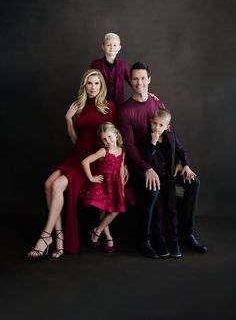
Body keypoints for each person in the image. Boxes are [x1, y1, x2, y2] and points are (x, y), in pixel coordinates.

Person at [117, 62, 207, 259]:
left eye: (143, 78)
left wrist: (181, 163)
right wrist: (146, 168)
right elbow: (130, 147)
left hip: (165, 162)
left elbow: (170, 135)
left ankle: (186, 233)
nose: (139, 82)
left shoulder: (157, 103)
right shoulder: (125, 110)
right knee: (154, 186)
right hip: (141, 162)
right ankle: (145, 239)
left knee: (194, 183)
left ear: (149, 79)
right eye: (135, 78)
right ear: (130, 81)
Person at [28, 69, 116, 258]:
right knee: (48, 184)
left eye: (96, 83)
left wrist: (115, 163)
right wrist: (68, 119)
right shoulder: (79, 106)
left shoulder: (109, 107)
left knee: (58, 185)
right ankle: (58, 238)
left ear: (102, 86)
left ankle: (45, 236)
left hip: (91, 160)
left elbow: (113, 139)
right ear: (84, 84)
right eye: (89, 83)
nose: (92, 87)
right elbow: (76, 140)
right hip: (76, 155)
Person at [139, 109, 196, 259]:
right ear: (151, 122)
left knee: (171, 210)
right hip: (155, 181)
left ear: (167, 127)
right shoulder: (146, 139)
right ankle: (160, 241)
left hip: (169, 179)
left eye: (161, 125)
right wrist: (152, 143)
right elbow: (145, 160)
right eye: (154, 124)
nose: (157, 128)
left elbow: (181, 151)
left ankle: (174, 241)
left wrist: (186, 165)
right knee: (158, 211)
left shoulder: (171, 137)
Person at [81, 122, 125, 253]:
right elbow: (85, 161)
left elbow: (121, 169)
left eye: (110, 137)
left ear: (116, 134)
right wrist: (91, 178)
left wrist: (122, 187)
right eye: (104, 139)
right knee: (103, 210)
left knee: (115, 210)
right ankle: (108, 237)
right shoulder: (103, 151)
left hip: (115, 184)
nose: (108, 141)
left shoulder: (122, 150)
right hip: (102, 183)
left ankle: (97, 230)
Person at [90, 32, 130, 107]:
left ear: (119, 48)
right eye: (108, 45)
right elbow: (88, 82)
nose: (112, 47)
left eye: (115, 45)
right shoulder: (96, 64)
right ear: (103, 47)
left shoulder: (123, 64)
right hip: (100, 102)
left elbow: (132, 81)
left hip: (119, 104)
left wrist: (145, 93)